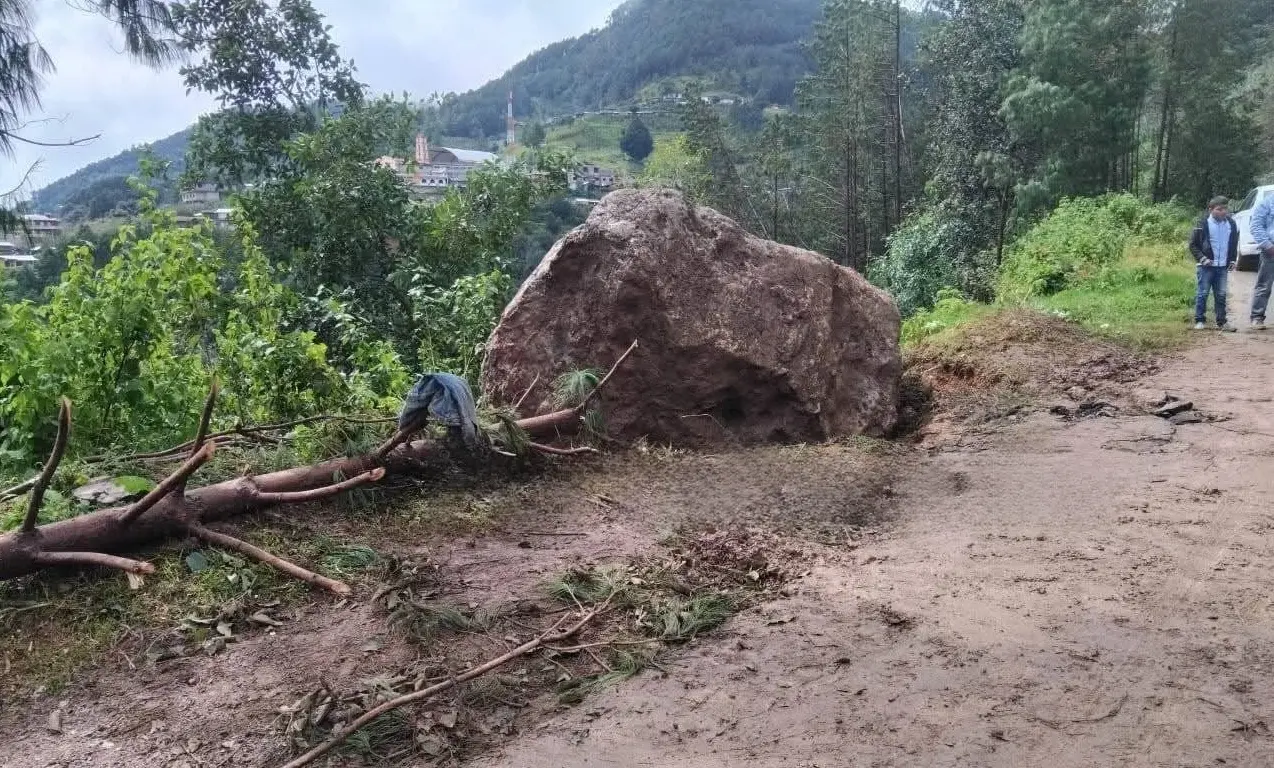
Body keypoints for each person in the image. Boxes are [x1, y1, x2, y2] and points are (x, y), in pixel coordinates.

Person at [1189, 196, 1239, 331]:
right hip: (1206, 266)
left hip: (1222, 267)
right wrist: (1203, 258)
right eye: (1219, 209)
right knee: (1203, 293)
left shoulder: (1231, 224)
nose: (1223, 212)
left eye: (1225, 209)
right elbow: (1193, 245)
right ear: (1210, 209)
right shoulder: (1202, 224)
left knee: (1221, 295)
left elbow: (1233, 243)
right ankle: (1200, 320)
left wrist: (1232, 260)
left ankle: (1222, 322)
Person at [1249, 192, 1274, 330]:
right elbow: (1256, 226)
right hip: (1271, 251)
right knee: (1264, 285)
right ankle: (1257, 317)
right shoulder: (1267, 203)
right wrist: (1268, 245)